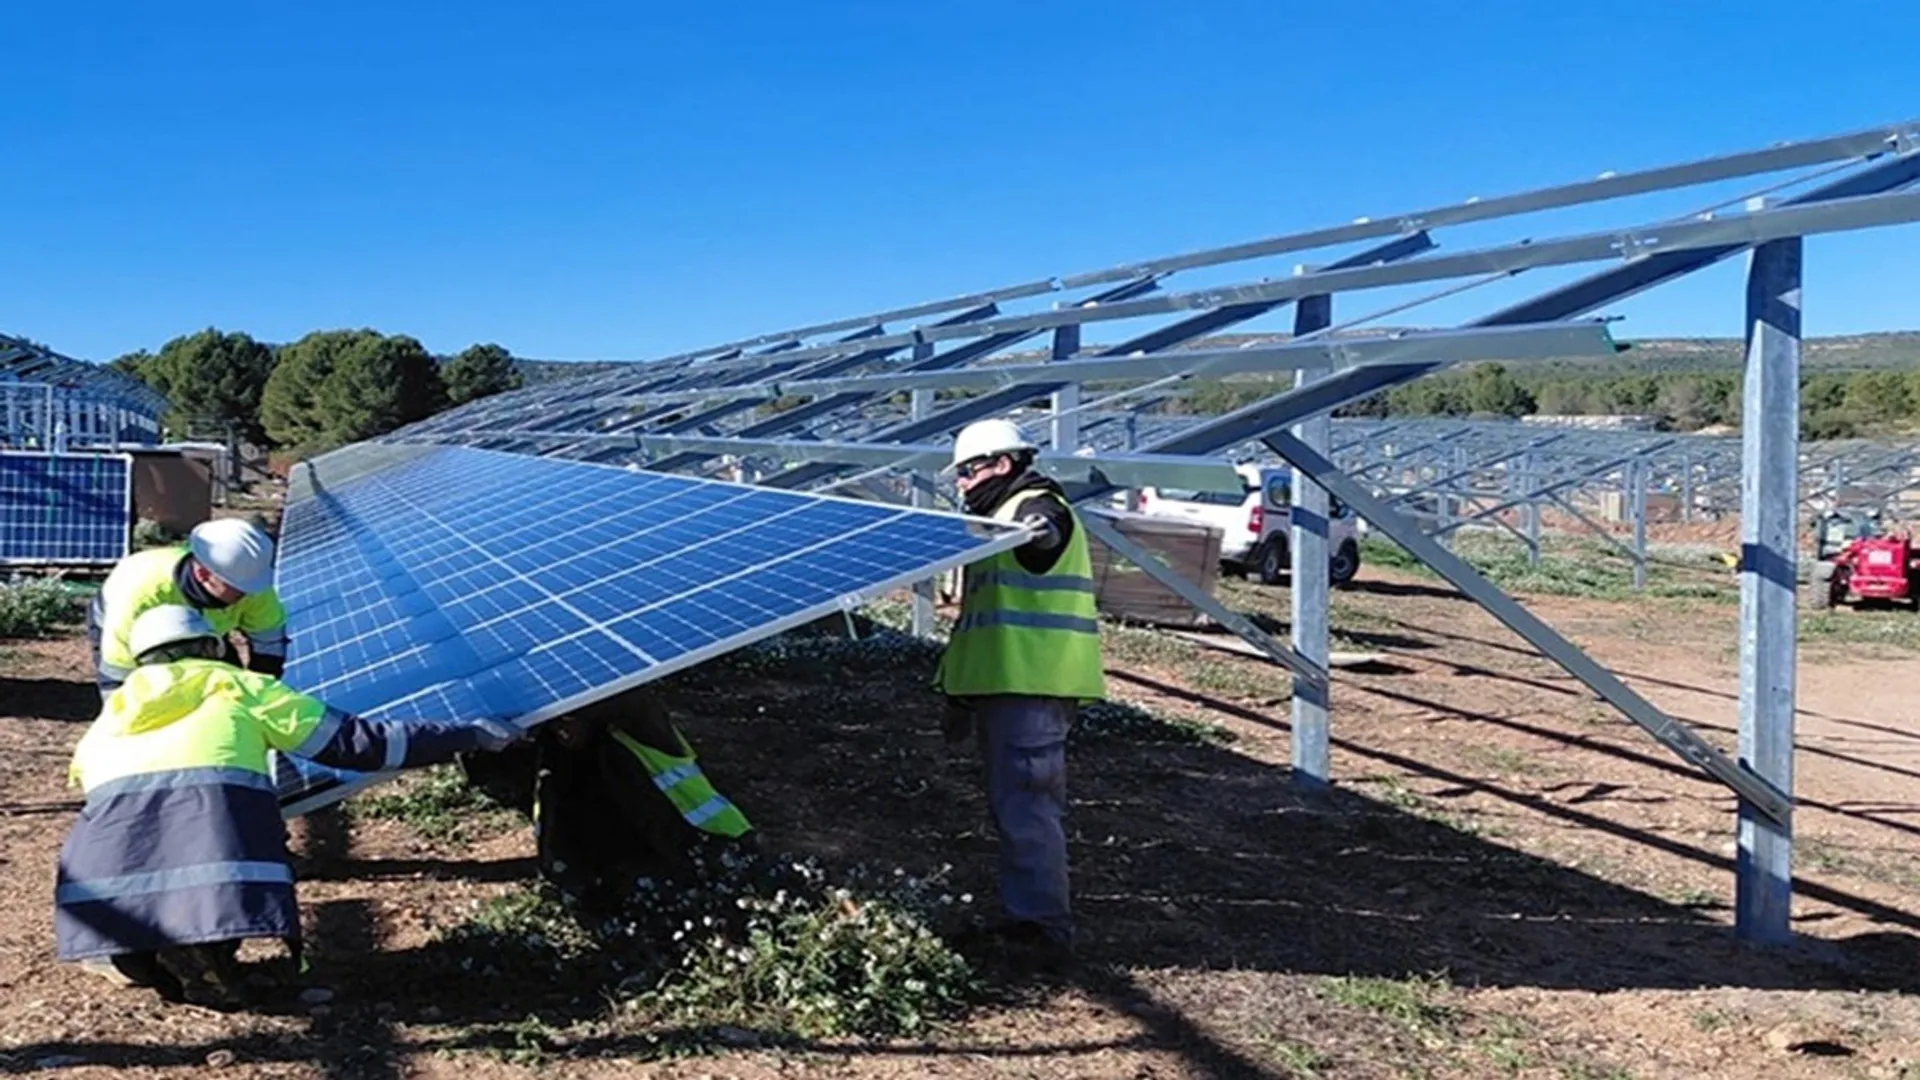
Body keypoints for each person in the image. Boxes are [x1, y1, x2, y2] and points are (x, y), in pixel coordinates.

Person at [56, 605, 523, 1008]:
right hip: (211, 849)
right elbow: (354, 743)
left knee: (162, 835)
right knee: (224, 827)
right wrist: (468, 735)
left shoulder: (109, 719)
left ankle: (146, 954)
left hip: (104, 874)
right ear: (213, 646)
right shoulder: (237, 686)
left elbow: (97, 788)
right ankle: (207, 951)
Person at [932, 418, 1105, 972]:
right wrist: (960, 692)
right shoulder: (994, 519)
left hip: (1033, 684)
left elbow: (1044, 535)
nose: (961, 483)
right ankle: (1027, 917)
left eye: (968, 470)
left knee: (1028, 807)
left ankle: (1043, 930)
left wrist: (1039, 528)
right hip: (1004, 684)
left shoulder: (1034, 505)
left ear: (1002, 465)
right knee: (1016, 805)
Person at [460, 691, 755, 916]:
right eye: (556, 724)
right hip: (614, 871)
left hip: (709, 844)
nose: (564, 730)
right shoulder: (551, 758)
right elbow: (486, 765)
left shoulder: (644, 727)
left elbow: (628, 696)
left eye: (569, 720)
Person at [87, 518, 289, 700]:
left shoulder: (253, 586)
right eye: (237, 588)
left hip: (204, 630)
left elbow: (268, 649)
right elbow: (118, 677)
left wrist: (259, 699)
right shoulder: (140, 597)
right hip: (135, 633)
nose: (247, 596)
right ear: (203, 574)